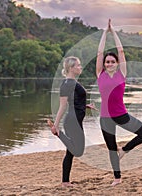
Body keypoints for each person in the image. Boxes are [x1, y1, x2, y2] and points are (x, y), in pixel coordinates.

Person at [96, 19, 142, 186]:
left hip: (122, 115)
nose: (110, 63)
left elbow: (120, 50)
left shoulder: (122, 74)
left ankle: (125, 150)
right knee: (111, 149)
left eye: (113, 61)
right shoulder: (100, 74)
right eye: (108, 62)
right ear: (104, 65)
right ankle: (117, 178)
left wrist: (114, 33)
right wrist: (104, 34)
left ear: (117, 64)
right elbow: (99, 53)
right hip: (105, 117)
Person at [50, 56, 96, 187]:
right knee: (78, 151)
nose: (80, 67)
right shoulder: (66, 84)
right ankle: (59, 134)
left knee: (70, 152)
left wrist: (86, 106)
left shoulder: (72, 82)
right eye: (78, 65)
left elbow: (74, 101)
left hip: (75, 119)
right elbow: (63, 106)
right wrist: (56, 125)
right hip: (72, 121)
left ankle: (65, 181)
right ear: (71, 68)